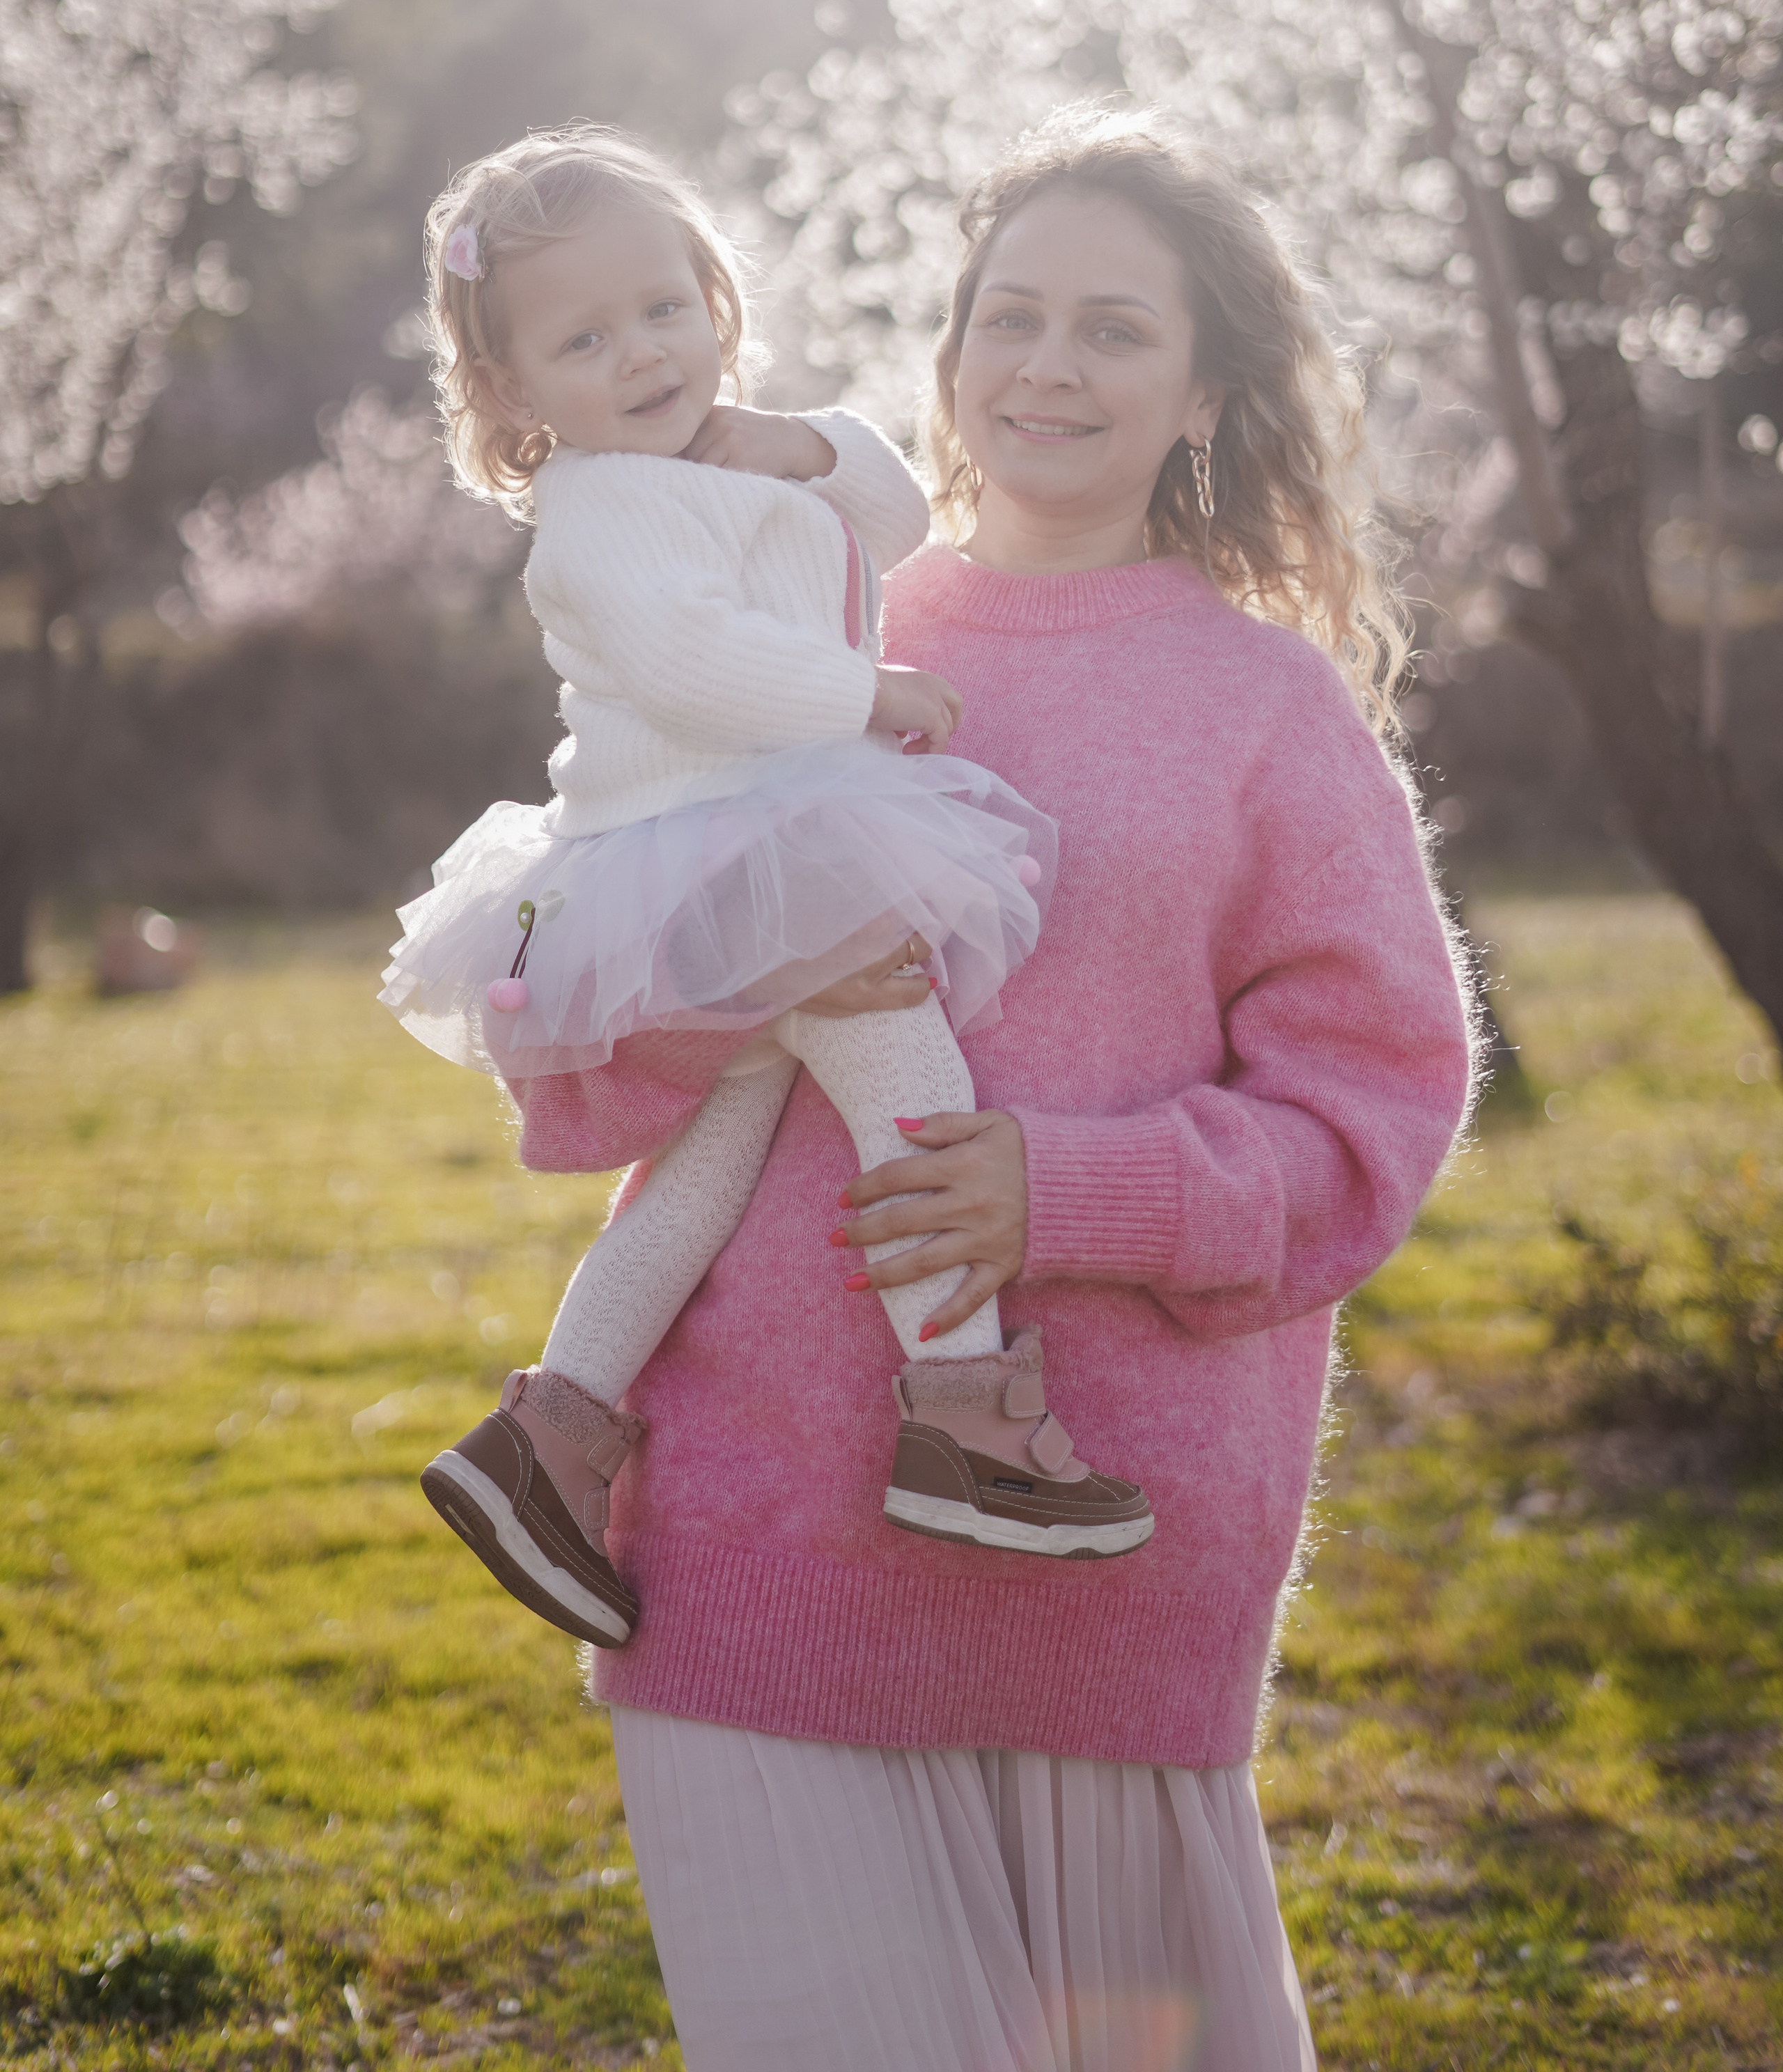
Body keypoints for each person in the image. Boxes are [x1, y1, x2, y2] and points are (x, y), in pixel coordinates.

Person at [512, 107, 1476, 2072]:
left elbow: (1369, 1121)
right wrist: (735, 990)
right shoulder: (795, 633)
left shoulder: (1268, 712)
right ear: (948, 355)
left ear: (1205, 395)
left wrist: (1067, 1191)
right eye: (1009, 316)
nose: (1046, 365)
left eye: (1115, 330)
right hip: (757, 1537)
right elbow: (568, 1058)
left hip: (1105, 1550)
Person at [380, 125, 1152, 1657]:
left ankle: (550, 1437)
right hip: (723, 854)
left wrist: (801, 444)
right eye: (583, 341)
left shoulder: (720, 462)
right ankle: (961, 1412)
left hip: (757, 855)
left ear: (715, 299)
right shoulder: (603, 504)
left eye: (664, 308)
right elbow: (690, 663)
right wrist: (864, 694)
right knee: (913, 1087)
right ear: (515, 392)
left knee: (708, 1168)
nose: (641, 354)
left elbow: (896, 515)